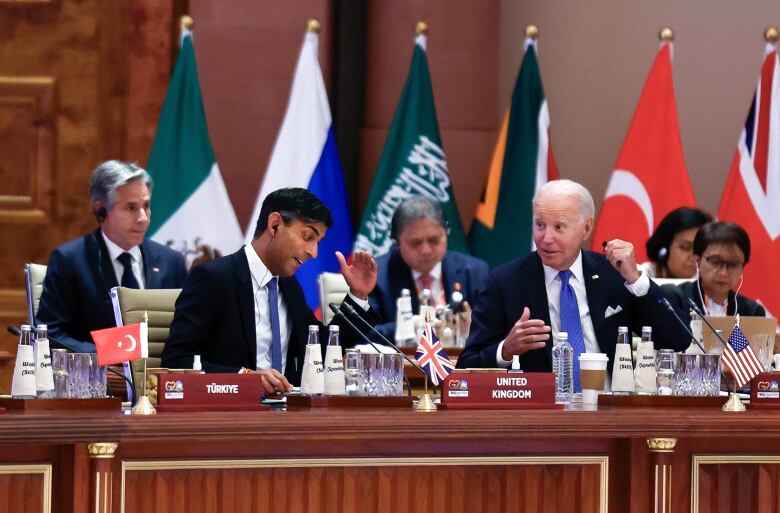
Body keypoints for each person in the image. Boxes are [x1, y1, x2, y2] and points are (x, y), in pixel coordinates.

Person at [456, 179, 690, 379]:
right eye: (539, 225)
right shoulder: (504, 282)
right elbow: (467, 364)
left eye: (559, 227)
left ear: (586, 228)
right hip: (540, 418)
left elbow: (676, 340)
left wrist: (636, 281)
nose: (546, 238)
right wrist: (505, 350)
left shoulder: (614, 274)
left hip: (609, 412)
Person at [161, 187, 379, 394]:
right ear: (275, 225)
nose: (313, 253)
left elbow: (319, 350)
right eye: (307, 237)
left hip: (289, 412)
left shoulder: (288, 284)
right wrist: (244, 378)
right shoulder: (214, 279)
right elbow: (177, 360)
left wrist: (358, 295)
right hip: (231, 414)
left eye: (318, 242)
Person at [35, 161, 187, 352]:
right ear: (101, 210)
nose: (143, 218)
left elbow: (187, 331)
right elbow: (49, 335)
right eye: (131, 208)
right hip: (97, 377)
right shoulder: (70, 260)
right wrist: (109, 351)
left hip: (158, 377)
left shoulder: (171, 262)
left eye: (146, 206)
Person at [369, 196, 489, 340]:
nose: (426, 250)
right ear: (397, 242)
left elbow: (493, 330)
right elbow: (360, 334)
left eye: (434, 240)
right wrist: (408, 327)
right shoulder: (377, 276)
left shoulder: (475, 272)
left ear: (446, 233)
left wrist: (472, 327)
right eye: (415, 243)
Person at [662, 221, 765, 321]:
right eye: (715, 262)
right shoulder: (675, 300)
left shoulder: (752, 312)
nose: (723, 272)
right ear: (698, 261)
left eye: (733, 264)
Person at [643, 207, 713, 279]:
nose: (694, 257)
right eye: (685, 247)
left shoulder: (708, 283)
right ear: (664, 250)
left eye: (700, 249)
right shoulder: (639, 279)